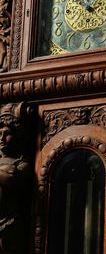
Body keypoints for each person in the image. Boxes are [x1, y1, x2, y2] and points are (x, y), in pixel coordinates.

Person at [0, 107, 30, 254]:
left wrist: (7, 172)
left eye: (7, 134)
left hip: (9, 224)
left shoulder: (21, 163)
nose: (1, 138)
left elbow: (11, 177)